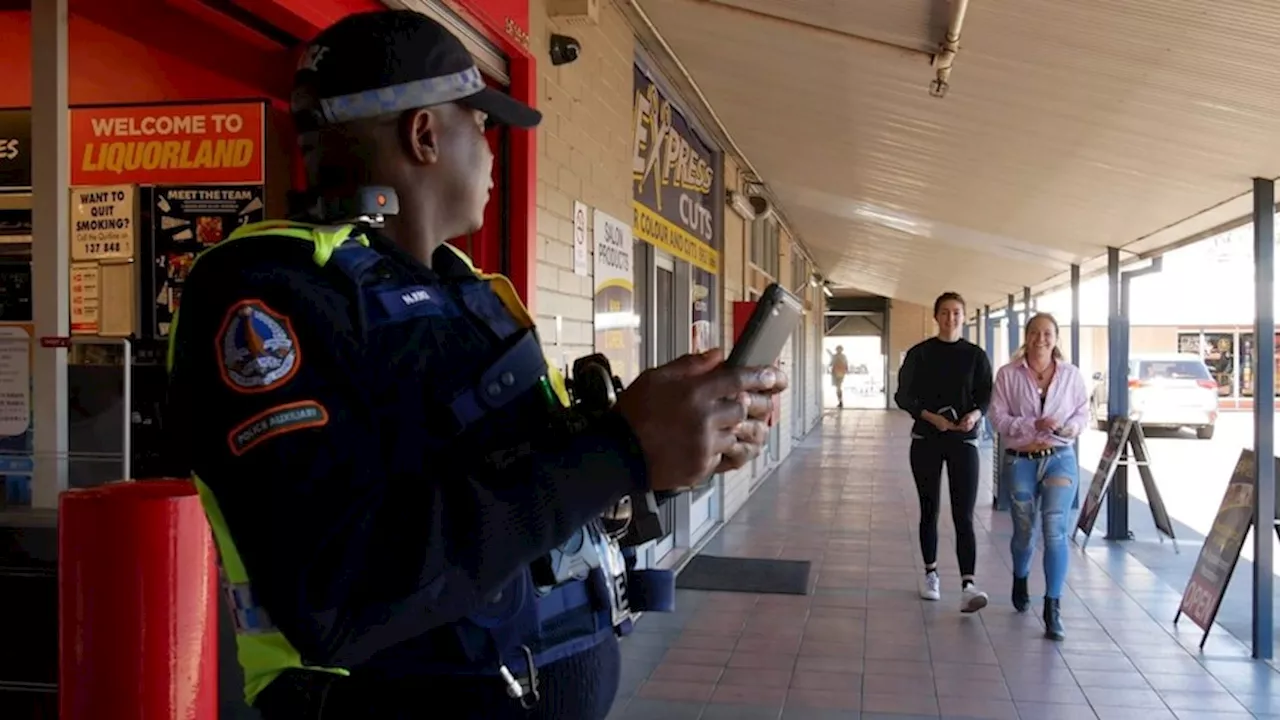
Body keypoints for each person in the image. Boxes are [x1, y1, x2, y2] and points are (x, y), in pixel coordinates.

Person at [164, 10, 787, 720]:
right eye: (481, 125)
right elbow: (339, 589)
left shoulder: (469, 290)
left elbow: (537, 499)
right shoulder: (266, 294)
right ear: (424, 135)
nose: (492, 152)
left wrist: (671, 455)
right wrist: (620, 449)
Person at [989, 312, 1088, 641]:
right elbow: (998, 418)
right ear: (1026, 337)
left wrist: (1066, 428)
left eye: (1047, 333)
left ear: (1056, 338)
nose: (1041, 339)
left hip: (1059, 457)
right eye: (1035, 333)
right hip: (1021, 460)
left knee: (1054, 529)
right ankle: (1020, 576)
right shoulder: (1007, 375)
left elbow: (1081, 413)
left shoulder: (1072, 376)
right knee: (1024, 531)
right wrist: (1032, 425)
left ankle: (1052, 606)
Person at [894, 292, 993, 612]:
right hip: (926, 440)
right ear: (936, 316)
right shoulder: (920, 354)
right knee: (930, 508)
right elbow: (903, 396)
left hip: (963, 442)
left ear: (964, 317)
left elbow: (986, 396)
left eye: (957, 313)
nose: (951, 318)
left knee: (963, 513)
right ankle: (931, 574)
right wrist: (929, 416)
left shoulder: (976, 356)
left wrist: (974, 416)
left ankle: (968, 584)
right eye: (945, 313)